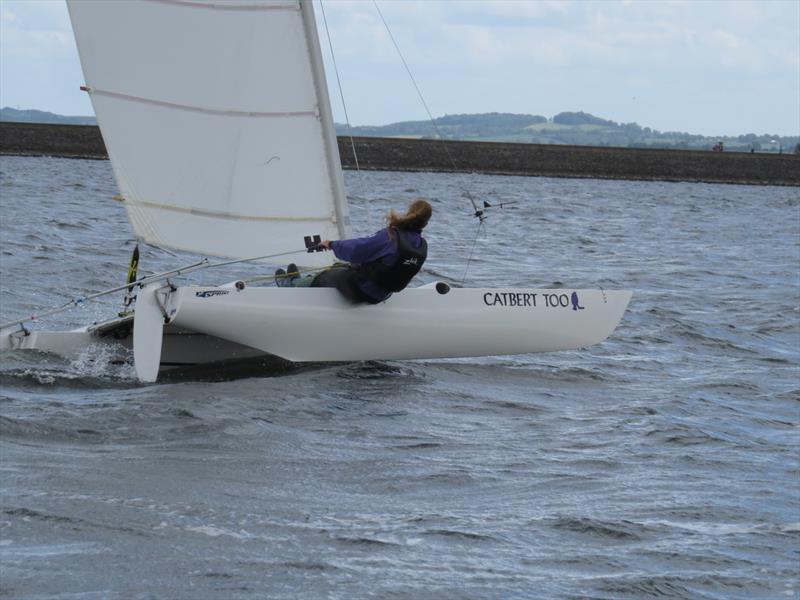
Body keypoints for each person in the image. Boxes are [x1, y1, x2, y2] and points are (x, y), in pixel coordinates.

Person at [275, 198, 432, 304]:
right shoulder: (421, 245)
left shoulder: (390, 236)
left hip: (361, 290)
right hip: (382, 295)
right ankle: (304, 280)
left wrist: (332, 244)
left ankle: (291, 284)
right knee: (343, 269)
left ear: (408, 213)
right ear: (425, 223)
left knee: (328, 275)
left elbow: (357, 249)